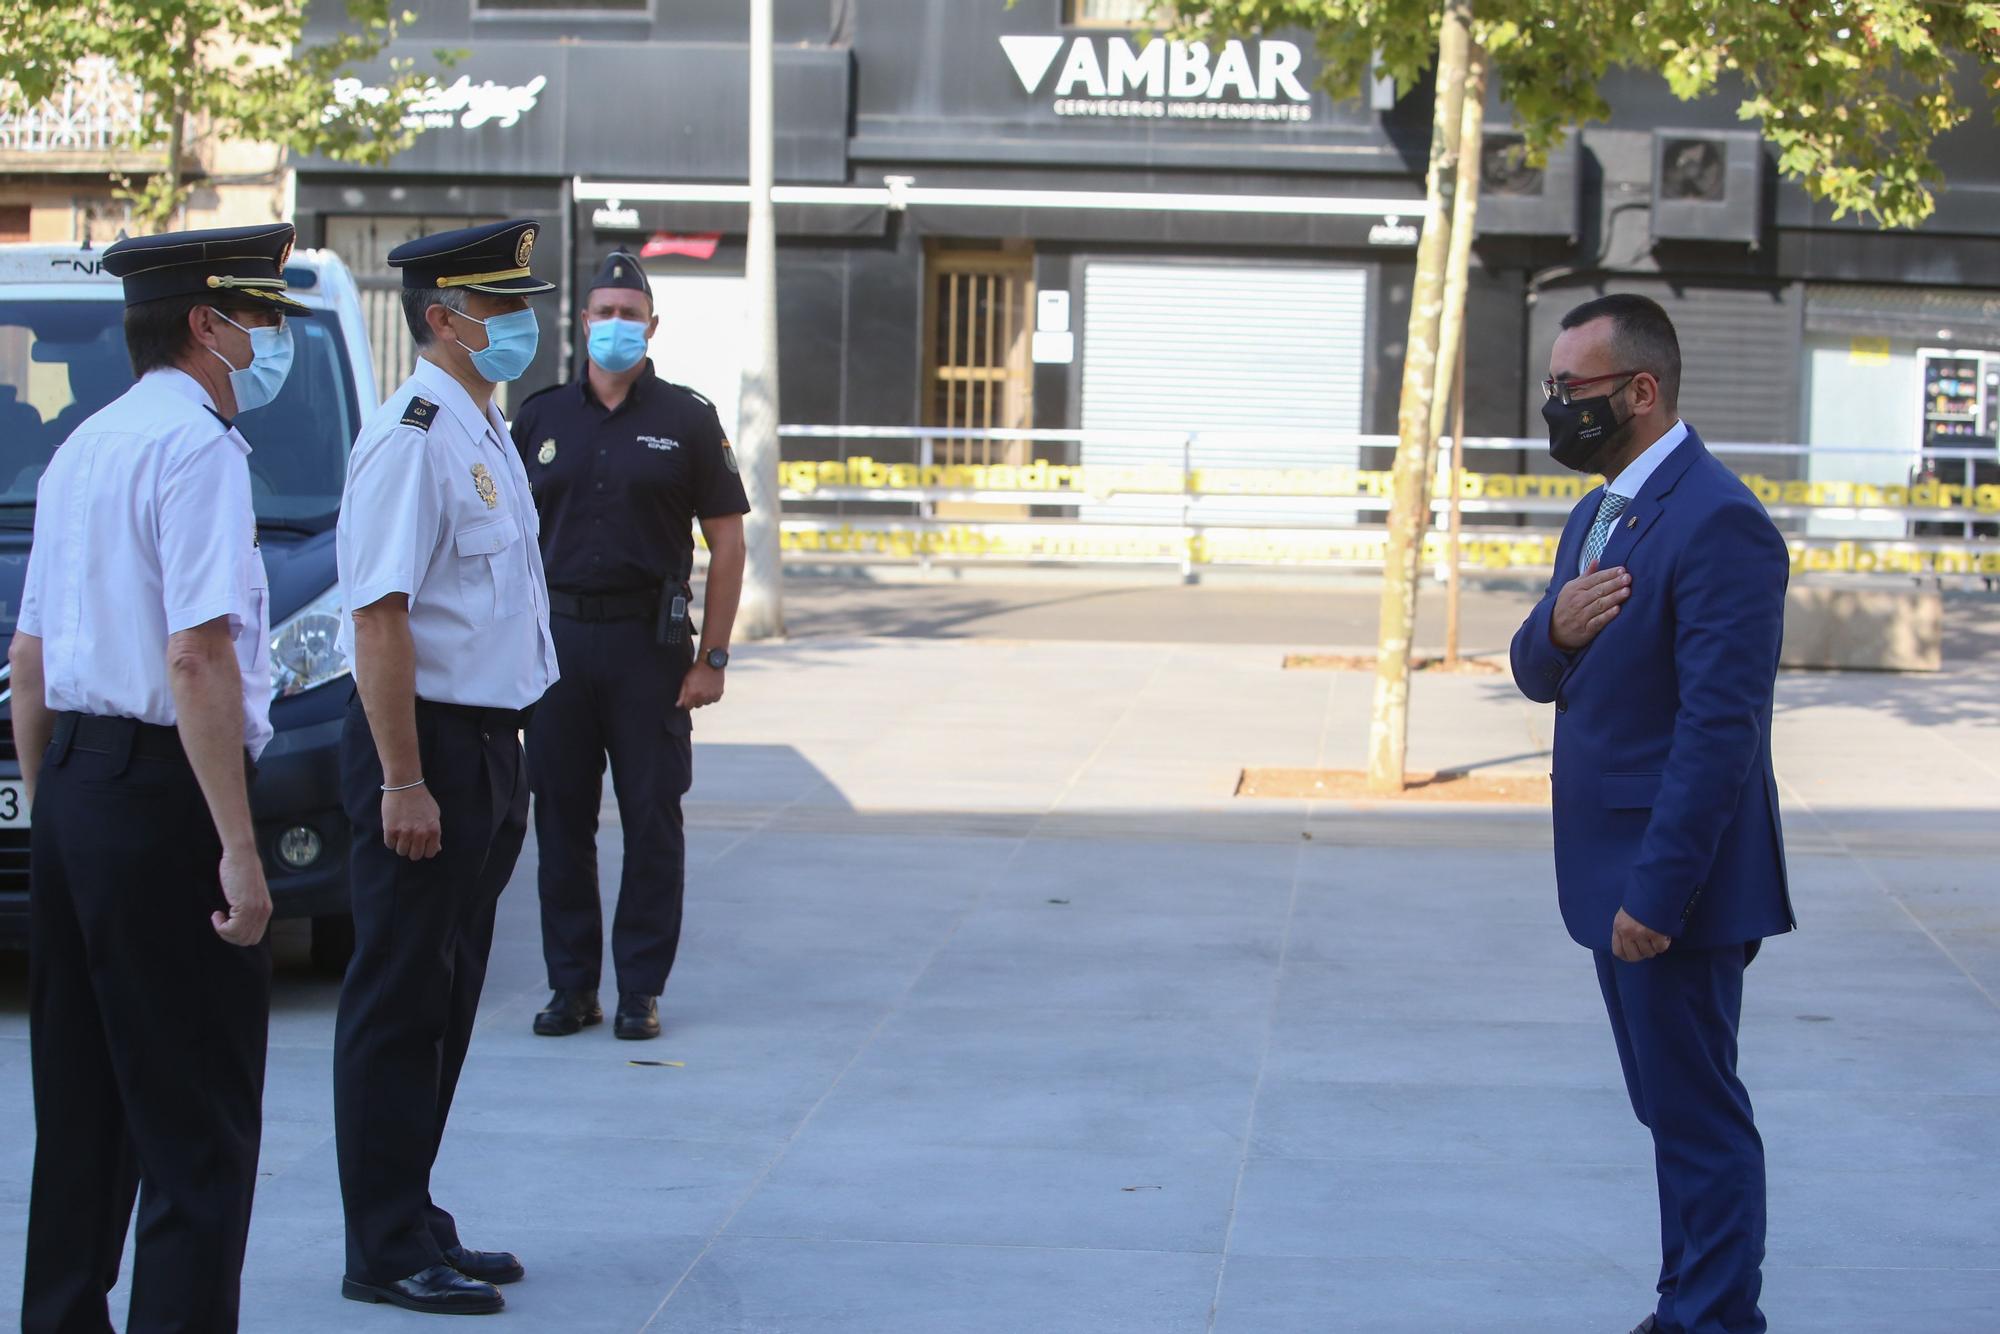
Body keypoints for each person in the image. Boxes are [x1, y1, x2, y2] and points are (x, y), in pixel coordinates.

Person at [10, 222, 302, 1332]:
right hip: (161, 794)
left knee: (81, 1111)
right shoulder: (195, 450)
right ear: (206, 325)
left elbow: (29, 660)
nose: (266, 337)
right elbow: (198, 653)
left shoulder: (85, 444)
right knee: (197, 1124)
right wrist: (235, 842)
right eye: (258, 316)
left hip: (80, 786)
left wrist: (58, 809)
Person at [1509, 293, 1795, 1334]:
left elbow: (1720, 732)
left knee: (1696, 1115)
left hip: (1669, 885)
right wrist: (1554, 621)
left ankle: (1714, 1319)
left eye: (1570, 389)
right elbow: (1535, 671)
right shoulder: (1595, 514)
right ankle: (1688, 1305)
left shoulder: (1718, 518)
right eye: (1550, 388)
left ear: (1639, 390)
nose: (1555, 408)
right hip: (1607, 871)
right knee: (1666, 1110)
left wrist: (1657, 891)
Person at [331, 218, 559, 1317]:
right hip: (422, 745)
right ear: (441, 318)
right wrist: (401, 778)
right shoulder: (412, 433)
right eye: (497, 305)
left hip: (485, 746)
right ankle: (379, 1241)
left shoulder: (480, 426)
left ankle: (413, 1210)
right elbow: (377, 617)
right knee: (397, 999)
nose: (519, 322)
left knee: (449, 996)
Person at [510, 251, 748, 1042]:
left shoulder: (686, 418)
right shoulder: (540, 418)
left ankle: (641, 988)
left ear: (652, 325)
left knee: (653, 820)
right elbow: (505, 543)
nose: (616, 326)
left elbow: (728, 543)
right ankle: (572, 987)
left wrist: (711, 657)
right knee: (561, 823)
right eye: (602, 312)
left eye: (629, 313)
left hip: (650, 649)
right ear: (582, 323)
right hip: (558, 647)